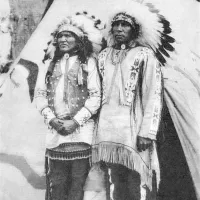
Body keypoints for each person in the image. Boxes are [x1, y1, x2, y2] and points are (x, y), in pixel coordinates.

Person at [91, 2, 175, 200]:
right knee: (113, 178)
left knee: (137, 179)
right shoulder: (103, 56)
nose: (119, 28)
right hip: (107, 129)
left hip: (134, 128)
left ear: (135, 29)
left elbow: (152, 95)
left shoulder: (145, 56)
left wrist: (147, 131)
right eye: (116, 24)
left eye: (125, 24)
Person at [34, 13, 104, 200]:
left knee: (78, 184)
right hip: (55, 133)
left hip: (81, 133)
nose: (63, 39)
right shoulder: (49, 65)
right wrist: (52, 119)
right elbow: (39, 96)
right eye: (61, 35)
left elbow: (95, 96)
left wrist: (75, 121)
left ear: (79, 39)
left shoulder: (89, 63)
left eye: (69, 35)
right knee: (57, 183)